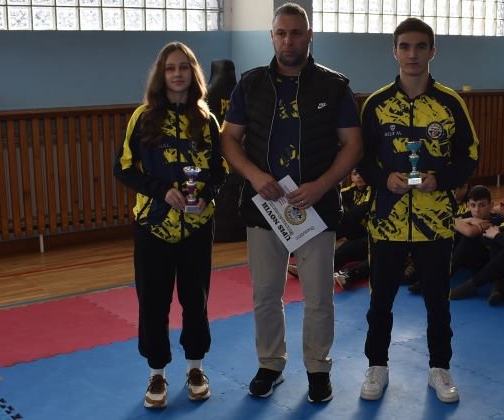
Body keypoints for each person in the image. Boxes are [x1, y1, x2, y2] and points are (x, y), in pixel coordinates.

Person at [219, 3, 362, 403]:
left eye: (296, 33)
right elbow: (228, 139)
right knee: (266, 294)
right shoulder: (250, 84)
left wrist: (322, 185)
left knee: (319, 296)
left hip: (315, 207)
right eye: (281, 33)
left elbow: (353, 146)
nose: (288, 40)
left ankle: (318, 369)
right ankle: (270, 364)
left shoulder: (334, 86)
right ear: (272, 36)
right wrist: (254, 176)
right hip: (264, 207)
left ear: (309, 36)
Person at [358, 17, 478, 404]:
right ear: (394, 51)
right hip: (386, 221)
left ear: (432, 51)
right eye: (405, 46)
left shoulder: (450, 103)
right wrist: (383, 179)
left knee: (437, 302)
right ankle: (377, 366)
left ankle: (440, 368)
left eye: (420, 46)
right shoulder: (376, 104)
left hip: (436, 221)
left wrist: (439, 180)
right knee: (380, 301)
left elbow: (469, 156)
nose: (412, 54)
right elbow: (360, 158)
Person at [113, 42, 226, 409]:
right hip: (153, 227)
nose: (177, 74)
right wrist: (161, 191)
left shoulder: (207, 120)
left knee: (196, 301)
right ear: (161, 75)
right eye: (170, 68)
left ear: (194, 74)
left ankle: (196, 369)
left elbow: (220, 170)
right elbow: (123, 168)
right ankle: (156, 373)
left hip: (196, 228)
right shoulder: (143, 117)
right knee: (153, 303)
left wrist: (204, 195)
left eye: (184, 67)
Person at [449, 181, 504, 305]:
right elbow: (488, 237)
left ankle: (472, 286)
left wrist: (499, 236)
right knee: (497, 242)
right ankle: (495, 285)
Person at [451, 185, 504, 276]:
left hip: (484, 262)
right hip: (466, 260)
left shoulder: (497, 220)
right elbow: (447, 222)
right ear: (468, 205)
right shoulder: (468, 215)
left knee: (467, 237)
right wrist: (469, 220)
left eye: (482, 205)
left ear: (491, 205)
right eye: (473, 205)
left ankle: (448, 272)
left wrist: (461, 222)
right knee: (450, 232)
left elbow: (470, 232)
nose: (477, 210)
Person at [332, 169, 373, 289]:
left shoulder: (374, 190)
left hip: (375, 236)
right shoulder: (349, 190)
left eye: (362, 173)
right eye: (355, 174)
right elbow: (334, 196)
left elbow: (360, 211)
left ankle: (348, 274)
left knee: (379, 257)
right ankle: (315, 265)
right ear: (351, 177)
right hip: (363, 234)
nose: (359, 176)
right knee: (348, 247)